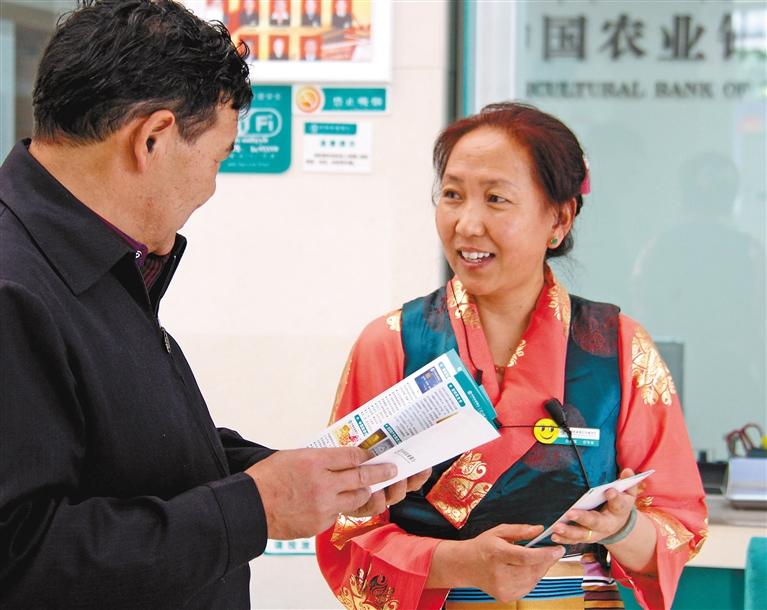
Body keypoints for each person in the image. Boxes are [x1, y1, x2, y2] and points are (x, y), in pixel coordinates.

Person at [0, 1, 428, 608]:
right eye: (219, 157)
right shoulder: (14, 290)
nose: (210, 187)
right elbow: (21, 558)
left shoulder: (88, 263)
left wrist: (296, 476)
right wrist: (255, 508)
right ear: (152, 138)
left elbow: (128, 452)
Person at [316, 102, 708, 610]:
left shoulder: (619, 347)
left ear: (559, 218)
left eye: (496, 198)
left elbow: (678, 524)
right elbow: (344, 529)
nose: (467, 224)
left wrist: (622, 526)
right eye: (452, 195)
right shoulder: (391, 343)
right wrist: (460, 563)